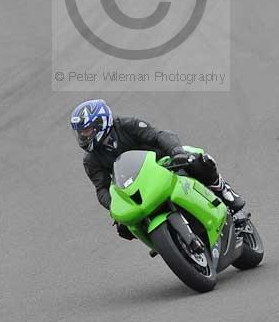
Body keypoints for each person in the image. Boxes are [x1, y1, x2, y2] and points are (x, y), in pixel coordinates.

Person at [70, 99, 245, 240]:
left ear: (101, 123)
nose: (84, 136)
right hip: (134, 186)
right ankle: (168, 243)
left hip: (163, 162)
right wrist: (114, 207)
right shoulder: (91, 159)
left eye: (87, 130)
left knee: (198, 160)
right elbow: (101, 188)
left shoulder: (127, 124)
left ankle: (223, 190)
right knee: (125, 228)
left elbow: (160, 136)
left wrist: (177, 153)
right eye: (81, 132)